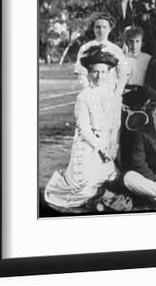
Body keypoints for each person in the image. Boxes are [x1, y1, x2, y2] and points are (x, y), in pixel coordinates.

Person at [44, 46, 122, 208]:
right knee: (84, 190)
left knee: (112, 180)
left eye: (103, 72)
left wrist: (113, 146)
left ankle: (102, 197)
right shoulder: (84, 97)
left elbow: (114, 125)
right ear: (89, 73)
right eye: (95, 72)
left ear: (109, 73)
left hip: (107, 145)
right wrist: (102, 148)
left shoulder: (113, 95)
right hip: (89, 146)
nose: (99, 76)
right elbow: (84, 130)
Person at [119, 27, 152, 169]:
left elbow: (151, 81)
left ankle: (140, 168)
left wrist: (149, 99)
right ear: (126, 42)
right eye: (131, 41)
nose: (134, 45)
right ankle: (125, 168)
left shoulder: (148, 58)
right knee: (126, 133)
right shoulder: (121, 59)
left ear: (142, 42)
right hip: (125, 97)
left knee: (141, 133)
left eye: (137, 41)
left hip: (142, 97)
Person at [74, 12, 128, 91]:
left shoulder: (116, 50)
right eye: (98, 27)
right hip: (91, 93)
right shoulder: (85, 48)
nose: (101, 30)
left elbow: (122, 75)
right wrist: (89, 91)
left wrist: (117, 93)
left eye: (104, 27)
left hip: (110, 92)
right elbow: (81, 73)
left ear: (110, 29)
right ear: (93, 28)